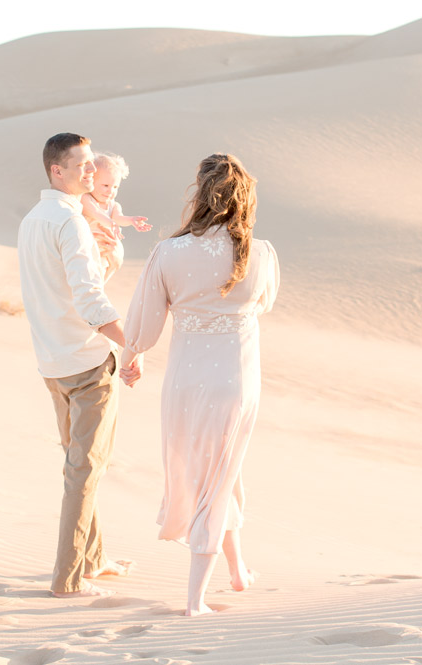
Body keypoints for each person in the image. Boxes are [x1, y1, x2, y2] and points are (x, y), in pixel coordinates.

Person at [119, 153, 280, 616]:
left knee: (213, 473)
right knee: (222, 471)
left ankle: (237, 571)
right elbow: (264, 304)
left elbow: (143, 326)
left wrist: (132, 359)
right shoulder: (261, 253)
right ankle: (196, 601)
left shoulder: (168, 252)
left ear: (199, 194)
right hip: (237, 382)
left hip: (185, 383)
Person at [18, 132, 144, 598]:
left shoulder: (35, 218)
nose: (92, 172)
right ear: (57, 170)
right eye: (83, 165)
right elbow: (90, 298)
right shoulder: (69, 222)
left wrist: (105, 256)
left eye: (93, 165)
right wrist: (131, 347)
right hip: (88, 363)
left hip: (53, 361)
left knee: (79, 465)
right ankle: (68, 579)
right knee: (85, 472)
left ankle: (93, 558)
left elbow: (57, 286)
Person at [80, 152, 152, 283]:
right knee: (91, 276)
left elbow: (119, 218)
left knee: (103, 274)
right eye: (105, 185)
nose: (110, 191)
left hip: (107, 252)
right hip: (91, 249)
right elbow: (95, 213)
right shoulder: (86, 199)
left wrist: (131, 220)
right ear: (91, 181)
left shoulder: (113, 205)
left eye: (115, 187)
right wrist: (111, 224)